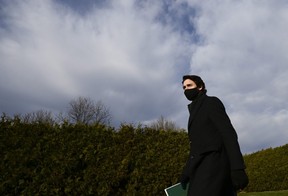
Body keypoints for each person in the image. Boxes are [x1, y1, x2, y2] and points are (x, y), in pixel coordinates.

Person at [180, 75, 248, 196]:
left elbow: (228, 133)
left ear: (200, 86)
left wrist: (237, 167)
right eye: (184, 87)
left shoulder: (211, 102)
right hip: (200, 167)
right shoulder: (193, 112)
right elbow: (196, 146)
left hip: (214, 165)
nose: (186, 89)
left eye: (189, 85)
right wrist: (186, 172)